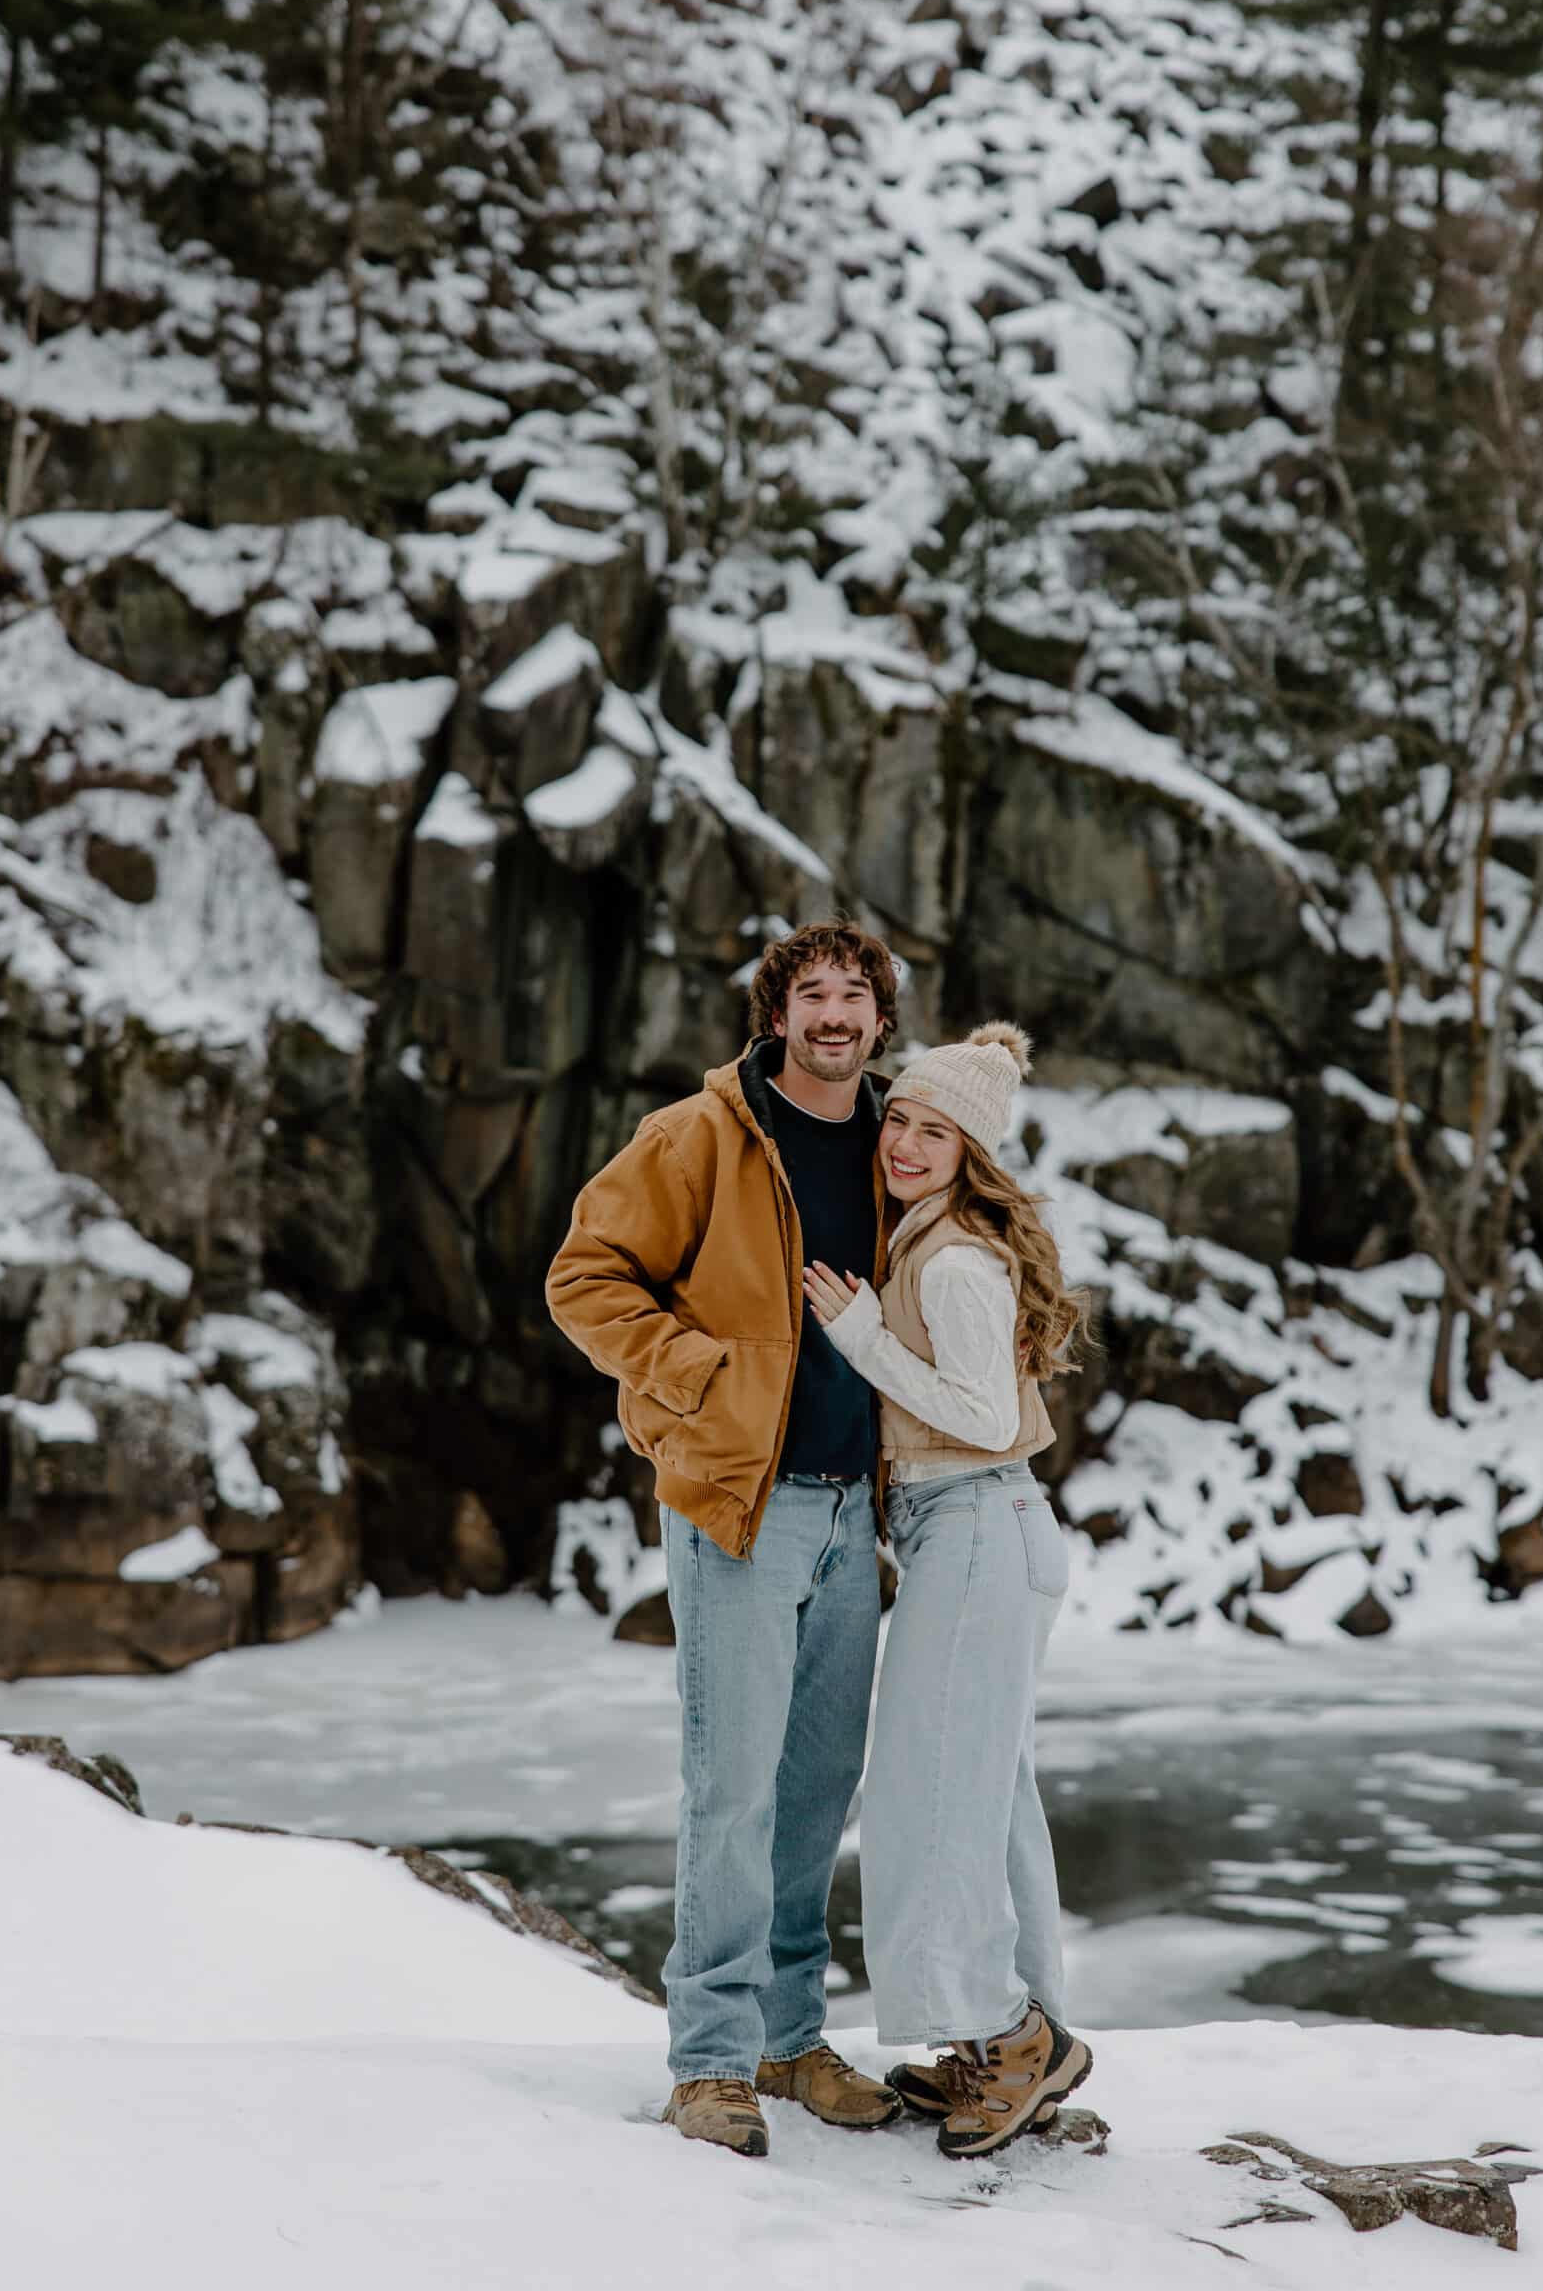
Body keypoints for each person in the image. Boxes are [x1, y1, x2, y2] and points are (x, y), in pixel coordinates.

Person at [545, 920, 904, 2158]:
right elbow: (585, 1276)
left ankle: (789, 2040)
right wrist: (697, 1372)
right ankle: (709, 2058)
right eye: (813, 994)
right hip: (740, 1507)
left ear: (880, 1018)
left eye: (854, 994)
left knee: (814, 1791)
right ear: (777, 1014)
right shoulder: (700, 1134)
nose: (834, 1014)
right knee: (733, 1788)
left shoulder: (898, 1141)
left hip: (855, 1510)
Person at [802, 1020, 1094, 2159]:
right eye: (902, 1122)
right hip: (978, 1535)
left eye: (936, 1131)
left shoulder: (955, 1261)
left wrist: (860, 1334)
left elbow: (978, 1417)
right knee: (984, 1798)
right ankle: (1015, 2039)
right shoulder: (929, 1239)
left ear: (972, 1152)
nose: (907, 1144)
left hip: (975, 1526)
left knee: (927, 1796)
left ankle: (1007, 2035)